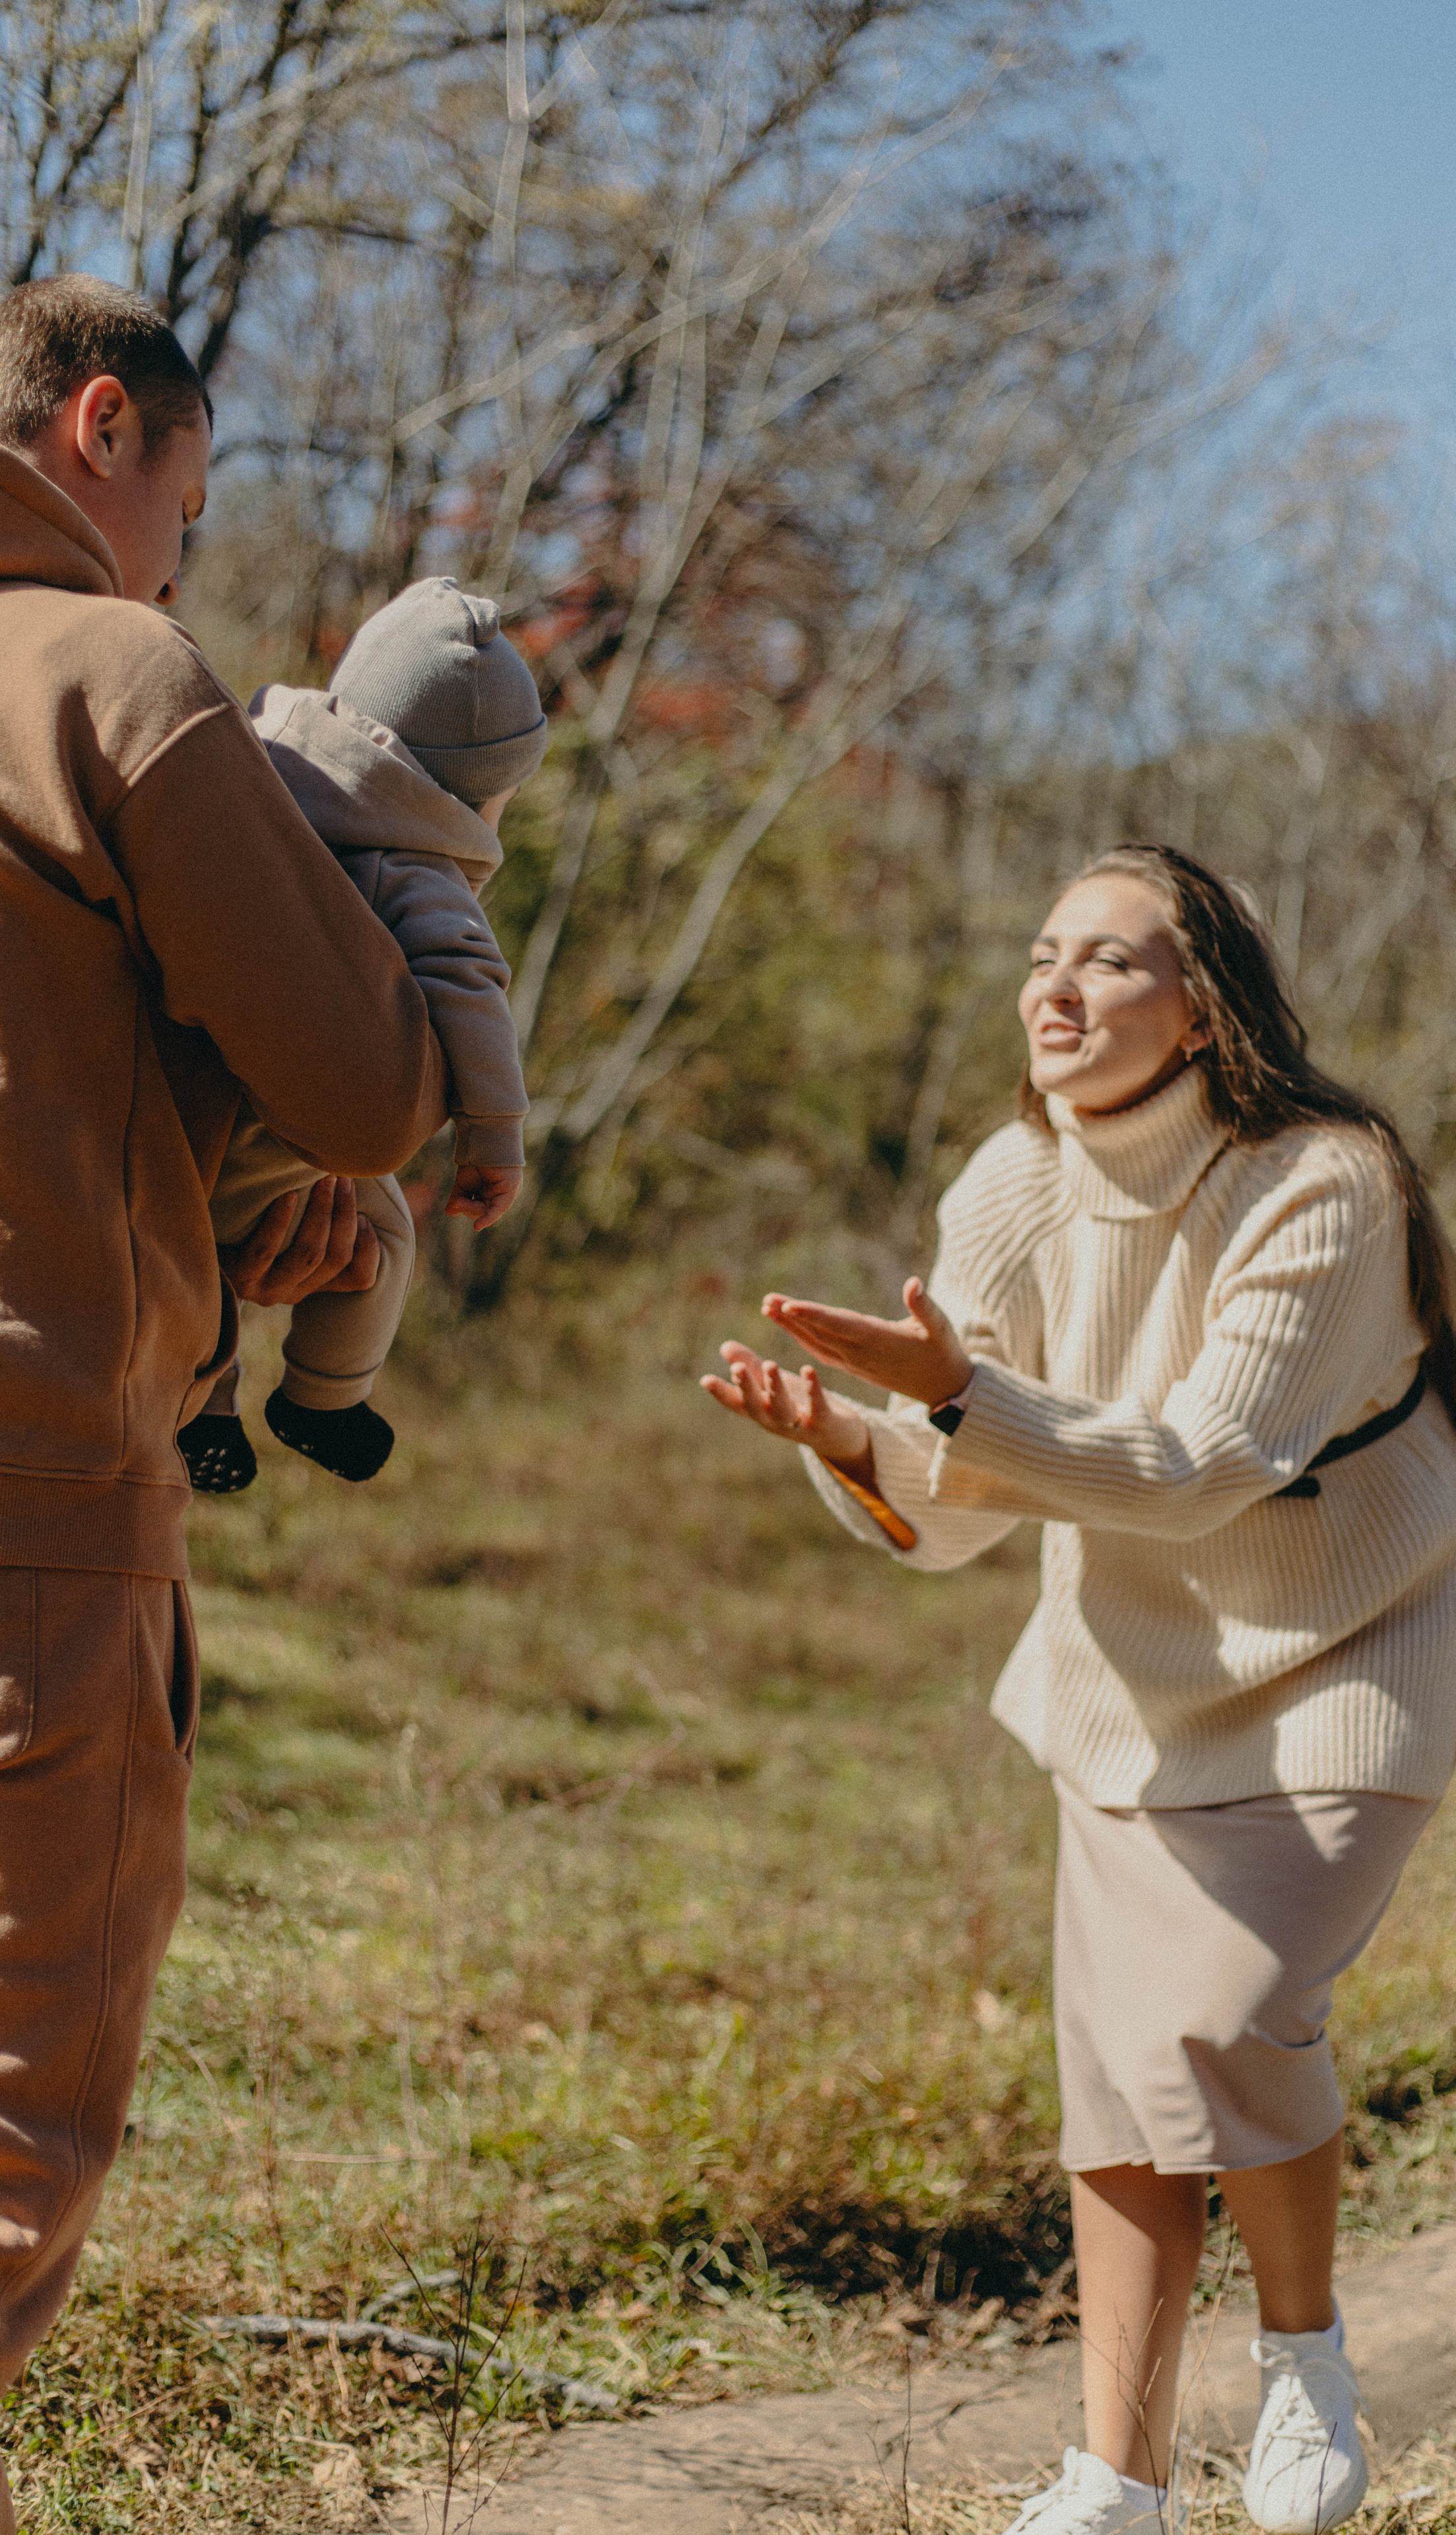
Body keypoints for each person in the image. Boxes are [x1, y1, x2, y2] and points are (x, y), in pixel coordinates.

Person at [702, 844, 1456, 2535]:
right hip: (1126, 1683)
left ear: (1202, 1005)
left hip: (1348, 1651)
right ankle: (1119, 2480)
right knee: (1126, 2089)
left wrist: (954, 1395)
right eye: (1039, 957)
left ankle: (1302, 2369)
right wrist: (858, 1442)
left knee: (1222, 2023)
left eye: (1108, 961)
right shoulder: (1011, 1185)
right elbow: (950, 1532)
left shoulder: (1320, 1178)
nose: (1056, 991)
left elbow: (1196, 1466)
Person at [0, 272, 446, 2526]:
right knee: (10, 2143)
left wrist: (175, 1185)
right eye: (187, 487)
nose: (180, 543)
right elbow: (370, 1091)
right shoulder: (105, 671)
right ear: (107, 429)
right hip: (34, 1524)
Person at [178, 576, 545, 1493]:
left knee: (192, 1265)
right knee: (381, 1235)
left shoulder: (254, 770)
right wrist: (494, 1133)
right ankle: (324, 1399)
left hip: (182, 1114)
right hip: (280, 1142)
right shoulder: (409, 861)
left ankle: (208, 1411)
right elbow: (468, 981)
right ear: (477, 793)